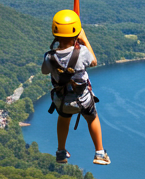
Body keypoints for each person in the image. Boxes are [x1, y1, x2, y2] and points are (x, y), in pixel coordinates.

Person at [43, 9, 109, 165]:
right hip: (82, 99)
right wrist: (84, 39)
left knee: (63, 117)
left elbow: (44, 71)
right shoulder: (82, 52)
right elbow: (93, 62)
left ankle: (60, 152)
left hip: (62, 100)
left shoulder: (49, 56)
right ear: (76, 32)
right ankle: (99, 153)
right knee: (92, 117)